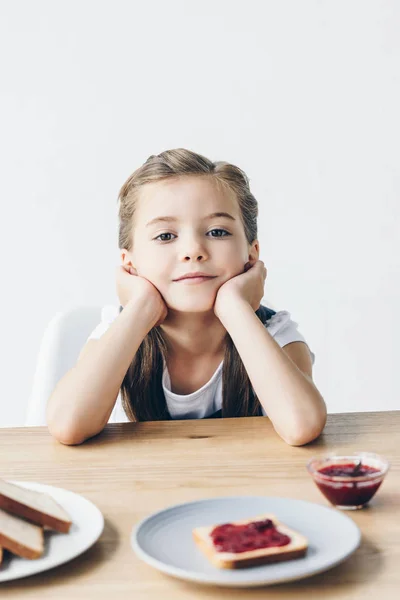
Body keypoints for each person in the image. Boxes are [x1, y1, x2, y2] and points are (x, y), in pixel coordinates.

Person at [47, 148, 327, 446]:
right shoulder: (118, 331)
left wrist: (235, 308)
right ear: (130, 263)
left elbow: (302, 426)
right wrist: (140, 308)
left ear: (251, 253)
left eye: (218, 232)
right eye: (165, 236)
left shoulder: (274, 333)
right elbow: (68, 426)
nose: (193, 250)